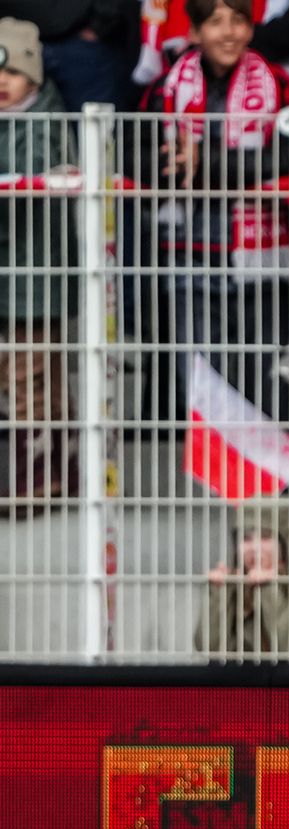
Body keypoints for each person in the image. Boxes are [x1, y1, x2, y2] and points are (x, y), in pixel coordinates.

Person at [134, 0, 289, 426]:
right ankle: (210, 491)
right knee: (204, 378)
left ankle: (268, 489)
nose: (229, 33)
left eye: (239, 21)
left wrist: (203, 162)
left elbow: (286, 159)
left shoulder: (280, 84)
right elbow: (144, 163)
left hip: (265, 261)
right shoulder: (165, 87)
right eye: (215, 22)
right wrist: (215, 166)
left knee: (264, 376)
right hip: (190, 253)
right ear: (194, 31)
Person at [0, 19, 75, 501]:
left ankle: (37, 472)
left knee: (29, 374)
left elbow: (28, 185)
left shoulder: (44, 120)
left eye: (11, 72)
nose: (2, 83)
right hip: (11, 276)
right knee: (19, 372)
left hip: (37, 274)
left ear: (34, 75)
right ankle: (55, 466)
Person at [195, 503, 289, 660]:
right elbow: (208, 647)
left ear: (284, 545)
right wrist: (219, 592)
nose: (254, 548)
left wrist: (268, 588)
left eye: (265, 538)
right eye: (246, 539)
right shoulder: (232, 584)